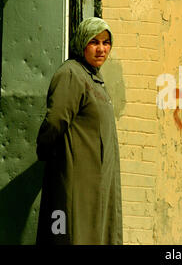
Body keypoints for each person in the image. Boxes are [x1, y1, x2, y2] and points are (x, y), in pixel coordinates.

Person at [36, 17, 122, 245]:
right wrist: (46, 152)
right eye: (94, 42)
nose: (101, 49)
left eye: (106, 42)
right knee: (68, 235)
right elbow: (55, 121)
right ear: (82, 42)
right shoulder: (72, 74)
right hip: (76, 182)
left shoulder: (93, 77)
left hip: (94, 185)